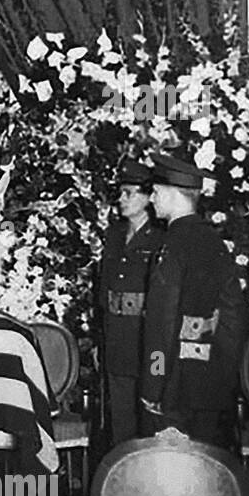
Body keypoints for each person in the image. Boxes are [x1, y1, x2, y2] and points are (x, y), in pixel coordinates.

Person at [138, 153, 247, 448]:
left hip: (174, 385)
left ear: (174, 193)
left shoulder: (172, 245)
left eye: (156, 192)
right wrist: (220, 373)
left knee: (171, 477)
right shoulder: (215, 242)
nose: (151, 200)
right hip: (209, 383)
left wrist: (153, 386)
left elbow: (161, 322)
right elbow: (234, 314)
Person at [96, 159, 164, 446]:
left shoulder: (161, 238)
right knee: (120, 423)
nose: (121, 200)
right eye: (120, 193)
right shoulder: (113, 234)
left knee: (150, 422)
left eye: (129, 193)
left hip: (145, 340)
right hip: (116, 340)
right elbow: (102, 291)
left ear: (149, 197)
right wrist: (101, 339)